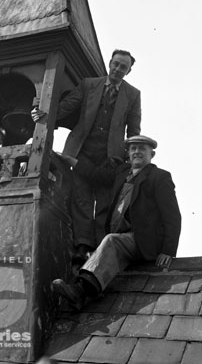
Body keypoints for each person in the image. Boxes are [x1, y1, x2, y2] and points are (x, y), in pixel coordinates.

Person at [32, 49, 141, 259]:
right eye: (116, 64)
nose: (118, 69)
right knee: (81, 199)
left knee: (104, 202)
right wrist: (43, 114)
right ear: (110, 63)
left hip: (110, 157)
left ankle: (99, 249)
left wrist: (129, 157)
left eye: (123, 67)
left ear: (128, 71)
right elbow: (65, 106)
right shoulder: (88, 84)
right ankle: (82, 247)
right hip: (81, 151)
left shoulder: (133, 94)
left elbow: (134, 129)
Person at [52, 135, 181, 310]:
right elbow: (95, 175)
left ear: (152, 154)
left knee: (111, 241)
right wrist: (71, 161)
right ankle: (81, 296)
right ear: (127, 153)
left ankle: (79, 291)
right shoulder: (122, 172)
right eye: (133, 148)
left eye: (142, 148)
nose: (137, 152)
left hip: (144, 240)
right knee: (103, 246)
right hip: (122, 237)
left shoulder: (159, 177)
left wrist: (167, 251)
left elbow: (172, 216)